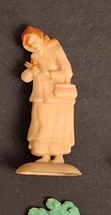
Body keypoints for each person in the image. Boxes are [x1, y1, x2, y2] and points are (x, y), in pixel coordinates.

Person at [20, 27, 76, 164]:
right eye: (29, 45)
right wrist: (33, 71)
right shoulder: (34, 56)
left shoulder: (55, 50)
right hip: (40, 96)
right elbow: (26, 78)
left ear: (40, 37)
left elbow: (67, 72)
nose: (33, 46)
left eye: (34, 42)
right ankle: (44, 155)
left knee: (57, 124)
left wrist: (47, 73)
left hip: (56, 96)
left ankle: (58, 156)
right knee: (41, 125)